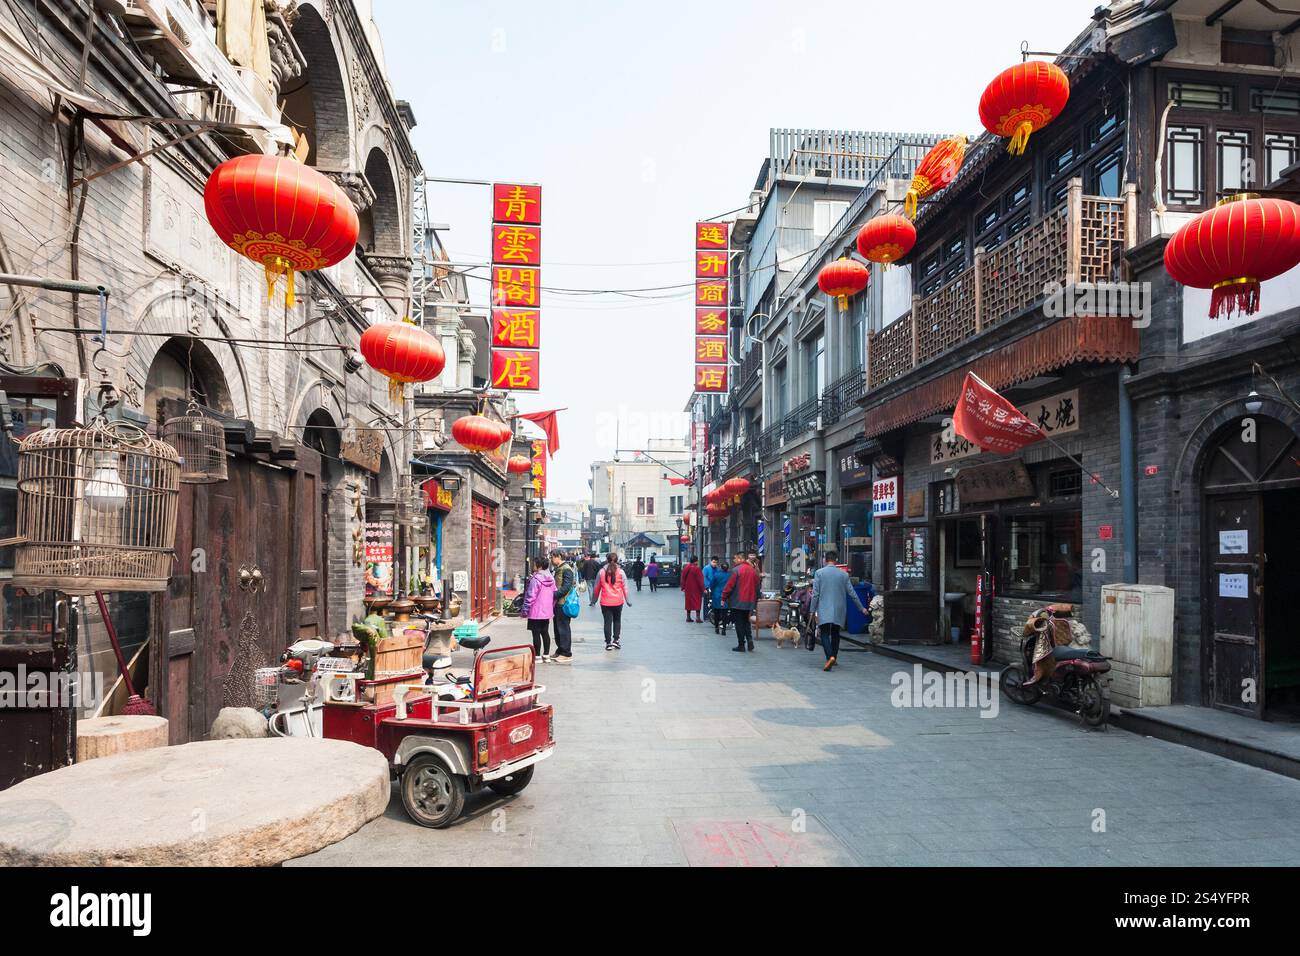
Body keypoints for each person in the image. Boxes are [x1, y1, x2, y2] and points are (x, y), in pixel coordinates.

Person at [810, 551, 867, 672]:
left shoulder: (819, 573)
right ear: (835, 560)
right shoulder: (843, 575)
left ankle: (829, 657)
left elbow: (815, 594)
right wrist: (861, 608)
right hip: (839, 608)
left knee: (825, 633)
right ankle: (834, 657)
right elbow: (852, 593)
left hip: (824, 608)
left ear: (825, 560)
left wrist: (812, 610)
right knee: (835, 633)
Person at [590, 551, 631, 650]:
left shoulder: (601, 572)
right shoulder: (621, 572)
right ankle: (616, 641)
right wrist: (628, 600)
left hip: (605, 602)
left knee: (607, 622)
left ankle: (608, 643)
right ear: (617, 560)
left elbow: (596, 588)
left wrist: (594, 600)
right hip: (618, 601)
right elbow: (625, 587)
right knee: (617, 620)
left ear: (606, 560)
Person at [721, 552, 759, 652]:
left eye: (735, 558)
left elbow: (729, 586)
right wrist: (756, 600)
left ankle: (741, 644)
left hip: (738, 601)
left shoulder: (736, 570)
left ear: (740, 559)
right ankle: (750, 640)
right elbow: (757, 586)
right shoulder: (752, 570)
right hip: (750, 601)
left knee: (739, 623)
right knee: (746, 622)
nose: (733, 561)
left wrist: (723, 598)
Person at [522, 556, 556, 663]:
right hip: (546, 611)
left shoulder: (535, 579)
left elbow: (530, 596)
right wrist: (551, 607)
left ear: (539, 566)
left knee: (536, 633)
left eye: (534, 564)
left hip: (535, 611)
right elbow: (554, 594)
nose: (533, 565)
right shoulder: (551, 578)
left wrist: (525, 610)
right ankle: (546, 655)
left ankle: (537, 656)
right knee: (545, 632)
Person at [550, 550, 575, 664]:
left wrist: (553, 595)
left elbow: (566, 587)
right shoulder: (559, 568)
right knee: (557, 628)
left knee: (563, 629)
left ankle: (566, 653)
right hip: (557, 603)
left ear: (558, 557)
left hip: (563, 603)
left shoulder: (566, 569)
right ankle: (560, 650)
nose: (551, 560)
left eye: (552, 557)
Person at [702, 556, 729, 635]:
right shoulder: (730, 575)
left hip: (716, 595)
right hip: (726, 596)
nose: (715, 564)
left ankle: (716, 627)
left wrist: (711, 589)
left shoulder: (717, 574)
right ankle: (724, 629)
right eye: (713, 562)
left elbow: (712, 584)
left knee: (716, 612)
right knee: (724, 613)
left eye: (716, 562)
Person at [681, 554, 706, 623]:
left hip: (688, 588)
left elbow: (683, 578)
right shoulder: (697, 569)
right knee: (697, 602)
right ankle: (698, 617)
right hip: (696, 589)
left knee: (688, 602)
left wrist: (683, 587)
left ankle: (688, 617)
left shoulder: (686, 567)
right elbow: (700, 580)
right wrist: (703, 589)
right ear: (696, 561)